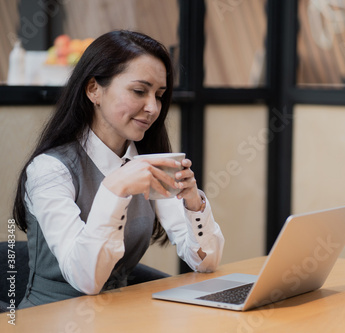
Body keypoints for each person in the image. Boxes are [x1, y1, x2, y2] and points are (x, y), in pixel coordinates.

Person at [12, 30, 224, 308]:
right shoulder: (49, 170)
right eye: (139, 91)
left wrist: (194, 205)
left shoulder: (146, 161)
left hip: (119, 313)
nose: (152, 107)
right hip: (51, 318)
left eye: (159, 95)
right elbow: (86, 279)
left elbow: (206, 263)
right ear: (93, 90)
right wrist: (116, 189)